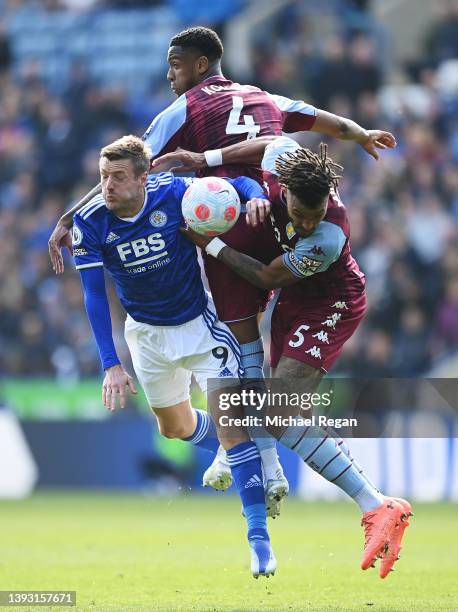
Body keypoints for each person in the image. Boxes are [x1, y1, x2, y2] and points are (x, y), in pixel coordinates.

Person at [48, 26, 396, 512]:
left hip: (229, 222)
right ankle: (248, 455)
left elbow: (132, 167)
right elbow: (319, 120)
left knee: (245, 346)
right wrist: (359, 132)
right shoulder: (263, 96)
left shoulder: (185, 108)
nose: (170, 75)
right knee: (252, 365)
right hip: (277, 208)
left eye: (175, 66)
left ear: (200, 65)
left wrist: (70, 215)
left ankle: (265, 466)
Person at [178, 135, 413, 579]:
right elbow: (269, 140)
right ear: (284, 189)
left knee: (276, 411)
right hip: (294, 301)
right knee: (278, 411)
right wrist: (209, 159)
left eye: (315, 215)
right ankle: (284, 476)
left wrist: (208, 244)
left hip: (331, 303)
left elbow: (267, 273)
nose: (307, 224)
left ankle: (377, 505)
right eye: (301, 215)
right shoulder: (287, 163)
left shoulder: (327, 235)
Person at [74, 134, 276, 577]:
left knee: (232, 425)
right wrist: (111, 363)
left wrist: (258, 196)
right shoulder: (89, 223)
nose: (107, 186)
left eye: (118, 177)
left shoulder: (174, 192)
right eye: (103, 177)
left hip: (200, 327)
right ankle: (230, 448)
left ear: (144, 178)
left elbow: (233, 184)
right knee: (175, 428)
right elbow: (94, 296)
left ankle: (259, 541)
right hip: (146, 336)